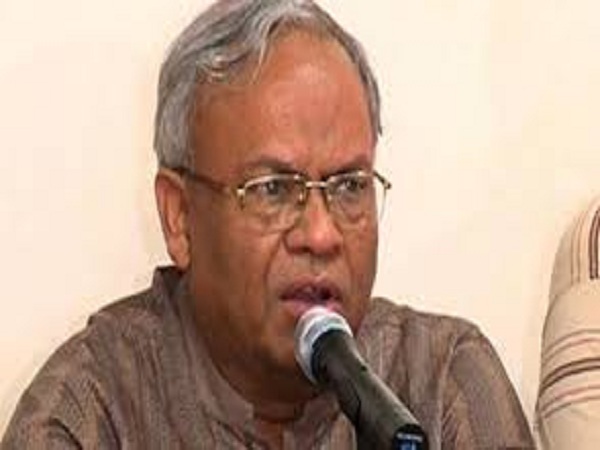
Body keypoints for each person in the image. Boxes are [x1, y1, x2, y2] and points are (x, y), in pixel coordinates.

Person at [2, 0, 534, 448]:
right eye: (273, 190)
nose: (321, 235)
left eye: (349, 185)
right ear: (179, 217)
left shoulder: (441, 383)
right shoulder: (90, 413)